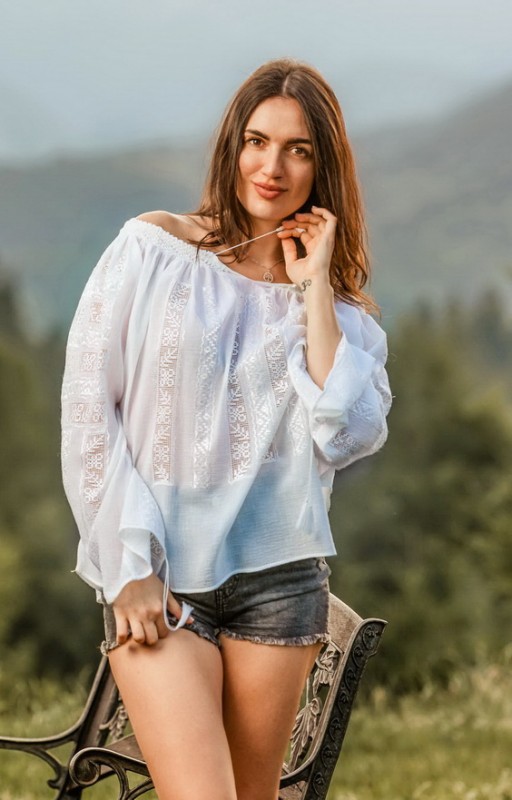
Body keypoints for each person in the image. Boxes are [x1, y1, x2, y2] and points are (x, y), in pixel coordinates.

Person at [61, 58, 391, 800]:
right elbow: (89, 409)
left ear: (324, 169)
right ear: (232, 145)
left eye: (298, 150)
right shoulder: (153, 250)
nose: (272, 168)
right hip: (159, 574)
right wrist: (128, 567)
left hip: (279, 587)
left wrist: (314, 288)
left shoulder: (339, 316)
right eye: (257, 141)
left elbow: (347, 435)